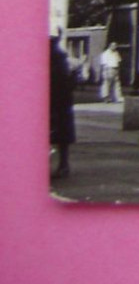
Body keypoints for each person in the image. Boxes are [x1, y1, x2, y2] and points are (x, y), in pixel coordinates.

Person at [50, 36, 75, 179]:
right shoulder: (61, 58)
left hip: (58, 103)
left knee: (60, 136)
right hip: (62, 104)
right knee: (62, 137)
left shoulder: (56, 58)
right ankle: (63, 165)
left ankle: (63, 165)